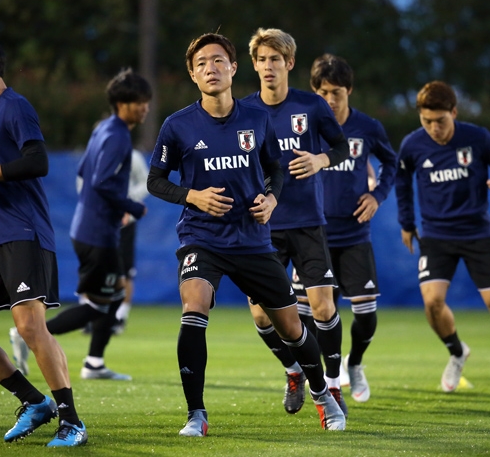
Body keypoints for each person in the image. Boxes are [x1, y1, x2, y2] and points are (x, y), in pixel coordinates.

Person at [147, 32, 346, 436]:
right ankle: (196, 415)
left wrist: (272, 200)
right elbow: (155, 180)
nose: (211, 68)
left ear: (234, 68)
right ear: (192, 73)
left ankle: (323, 394)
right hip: (201, 237)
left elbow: (275, 167)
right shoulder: (177, 125)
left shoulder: (256, 119)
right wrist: (193, 197)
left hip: (253, 239)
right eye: (202, 63)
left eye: (218, 60)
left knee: (292, 327)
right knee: (194, 306)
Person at [0, 33, 87, 447]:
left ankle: (72, 421)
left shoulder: (14, 107)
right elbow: (5, 174)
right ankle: (34, 402)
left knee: (29, 325)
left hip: (25, 235)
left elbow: (36, 161)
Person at [11, 69, 150, 381]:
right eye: (141, 101)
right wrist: (132, 206)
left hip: (89, 229)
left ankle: (94, 364)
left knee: (111, 296)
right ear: (123, 103)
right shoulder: (117, 136)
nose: (146, 108)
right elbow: (101, 182)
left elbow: (85, 171)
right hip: (99, 234)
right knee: (101, 305)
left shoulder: (103, 129)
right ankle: (29, 333)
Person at [240, 29, 350, 415]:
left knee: (322, 307)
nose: (268, 66)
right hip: (262, 226)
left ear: (289, 63)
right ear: (253, 65)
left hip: (306, 222)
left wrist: (320, 160)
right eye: (262, 59)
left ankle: (334, 385)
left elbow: (339, 147)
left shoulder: (313, 107)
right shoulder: (243, 112)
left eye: (275, 59)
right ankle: (293, 371)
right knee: (260, 312)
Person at [395, 80, 490, 393]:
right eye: (427, 122)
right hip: (436, 236)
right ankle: (456, 352)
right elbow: (402, 183)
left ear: (454, 112)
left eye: (441, 121)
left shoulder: (476, 137)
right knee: (433, 303)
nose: (434, 128)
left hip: (477, 233)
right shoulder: (412, 145)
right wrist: (407, 223)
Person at [292, 54, 396, 403]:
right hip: (311, 234)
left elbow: (391, 163)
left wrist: (377, 195)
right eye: (323, 92)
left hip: (353, 235)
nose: (330, 100)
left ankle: (356, 364)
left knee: (365, 313)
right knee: (307, 314)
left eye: (337, 92)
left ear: (349, 90)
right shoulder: (302, 127)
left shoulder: (367, 127)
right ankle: (317, 376)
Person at [112, 147, 150, 335]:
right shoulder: (94, 154)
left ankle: (120, 316)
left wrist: (129, 200)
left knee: (125, 270)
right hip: (98, 220)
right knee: (94, 268)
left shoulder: (131, 156)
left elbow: (146, 182)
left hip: (124, 221)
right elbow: (83, 183)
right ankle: (91, 314)